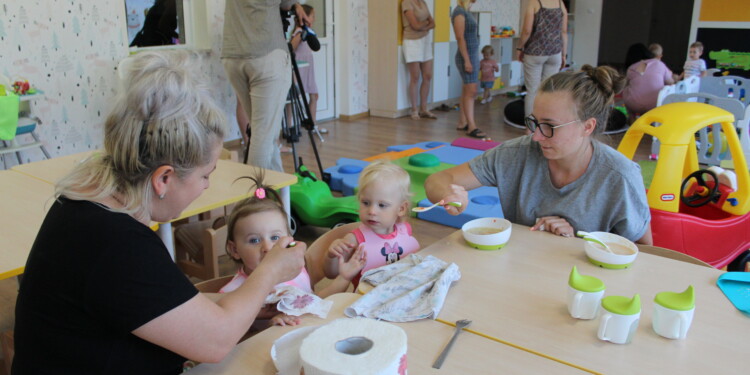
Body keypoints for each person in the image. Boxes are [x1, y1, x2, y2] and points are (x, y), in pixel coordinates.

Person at [12, 50, 306, 374]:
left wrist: (245, 306)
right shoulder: (116, 244)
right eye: (205, 175)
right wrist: (269, 272)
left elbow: (160, 306)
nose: (206, 186)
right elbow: (215, 342)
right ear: (164, 178)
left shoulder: (86, 208)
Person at [424, 65, 653, 245]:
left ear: (587, 126)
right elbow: (437, 180)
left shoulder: (620, 176)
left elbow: (646, 254)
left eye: (550, 126)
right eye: (535, 122)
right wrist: (448, 193)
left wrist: (578, 243)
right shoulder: (515, 154)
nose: (536, 137)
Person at [218, 174, 366, 326]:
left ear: (290, 239)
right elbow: (234, 341)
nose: (268, 248)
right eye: (254, 240)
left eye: (275, 237)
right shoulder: (231, 295)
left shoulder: (297, 273)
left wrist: (344, 277)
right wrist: (270, 325)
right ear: (234, 249)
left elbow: (316, 303)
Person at [222, 0, 311, 172]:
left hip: (233, 55)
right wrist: (297, 5)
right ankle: (255, 195)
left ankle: (278, 195)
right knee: (263, 136)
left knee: (264, 134)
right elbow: (286, 3)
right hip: (266, 53)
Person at [324, 160, 420, 285]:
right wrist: (331, 256)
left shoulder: (405, 230)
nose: (372, 211)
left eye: (382, 205)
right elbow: (331, 274)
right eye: (366, 203)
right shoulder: (354, 240)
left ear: (401, 209)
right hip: (364, 299)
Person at [517, 0, 568, 122]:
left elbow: (526, 31)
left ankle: (530, 129)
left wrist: (519, 47)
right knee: (548, 91)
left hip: (535, 52)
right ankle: (546, 123)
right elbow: (564, 32)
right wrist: (564, 55)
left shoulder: (534, 3)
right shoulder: (560, 4)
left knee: (532, 91)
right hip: (555, 53)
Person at [289, 4, 328, 134]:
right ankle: (289, 127)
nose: (314, 19)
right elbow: (291, 48)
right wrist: (300, 34)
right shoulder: (299, 32)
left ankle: (313, 125)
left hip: (308, 70)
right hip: (299, 70)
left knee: (314, 96)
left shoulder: (309, 33)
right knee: (292, 98)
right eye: (312, 16)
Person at [452, 0, 486, 139]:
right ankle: (471, 126)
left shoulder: (466, 11)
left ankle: (462, 122)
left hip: (472, 55)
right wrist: (467, 60)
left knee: (467, 89)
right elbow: (460, 37)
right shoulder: (459, 12)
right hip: (466, 56)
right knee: (472, 91)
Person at [402, 0, 437, 120]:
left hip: (425, 41)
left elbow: (433, 23)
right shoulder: (406, 3)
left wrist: (422, 25)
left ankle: (424, 109)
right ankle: (414, 110)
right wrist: (425, 24)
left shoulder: (423, 2)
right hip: (412, 42)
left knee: (427, 76)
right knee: (415, 77)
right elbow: (414, 26)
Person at [622, 43, 675, 118]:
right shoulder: (659, 64)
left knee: (627, 89)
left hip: (634, 105)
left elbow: (626, 84)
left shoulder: (631, 68)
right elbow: (671, 83)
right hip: (655, 104)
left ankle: (632, 119)